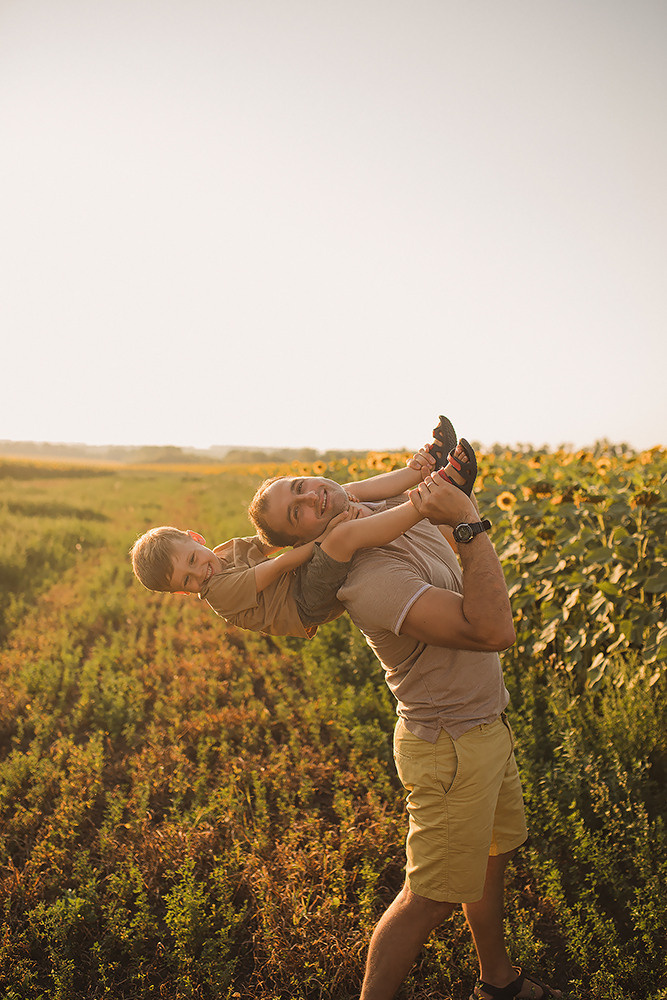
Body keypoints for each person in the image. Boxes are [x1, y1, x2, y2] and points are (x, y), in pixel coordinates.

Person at [249, 446, 563, 1000]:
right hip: (449, 747)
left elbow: (424, 513)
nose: (312, 495)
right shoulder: (370, 580)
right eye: (298, 512)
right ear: (309, 543)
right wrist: (468, 522)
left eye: (301, 484)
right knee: (430, 899)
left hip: (486, 723)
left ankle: (499, 983)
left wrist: (449, 482)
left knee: (492, 859)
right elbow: (493, 631)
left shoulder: (383, 510)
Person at [129, 420, 460, 640]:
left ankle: (424, 470)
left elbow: (267, 544)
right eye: (187, 581)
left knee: (338, 495)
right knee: (341, 536)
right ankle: (430, 498)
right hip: (305, 601)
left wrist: (315, 522)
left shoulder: (225, 552)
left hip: (297, 580)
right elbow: (280, 564)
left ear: (196, 538)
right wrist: (323, 537)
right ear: (183, 593)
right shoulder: (218, 592)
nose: (199, 573)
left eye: (192, 560)